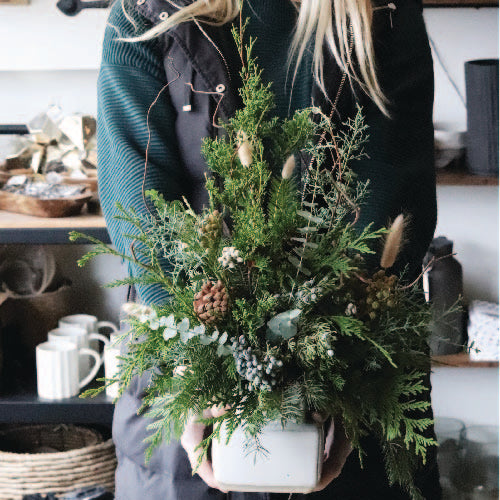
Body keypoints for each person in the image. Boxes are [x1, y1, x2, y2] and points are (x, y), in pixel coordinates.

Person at [97, 0, 441, 498]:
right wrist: (196, 367)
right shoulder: (146, 12)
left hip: (355, 387)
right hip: (184, 387)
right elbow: (137, 197)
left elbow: (393, 202)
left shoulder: (382, 13)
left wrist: (338, 382)